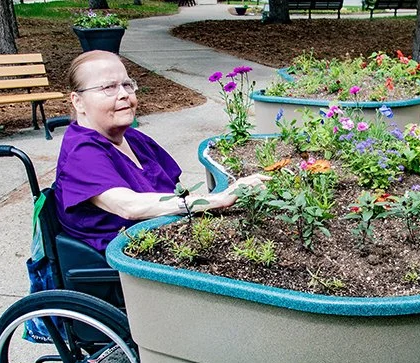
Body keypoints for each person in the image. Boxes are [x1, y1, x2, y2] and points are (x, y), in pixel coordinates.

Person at [54, 50, 267, 252]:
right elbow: (129, 206)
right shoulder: (81, 153)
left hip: (168, 238)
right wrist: (220, 199)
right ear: (78, 101)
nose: (124, 95)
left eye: (127, 85)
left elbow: (176, 191)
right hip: (126, 263)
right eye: (108, 87)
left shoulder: (133, 138)